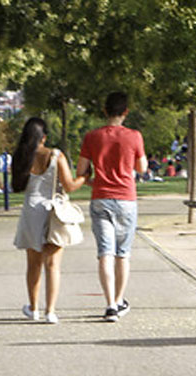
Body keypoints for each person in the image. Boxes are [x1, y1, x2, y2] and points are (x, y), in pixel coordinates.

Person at [76, 91, 148, 322]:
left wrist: (94, 181)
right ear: (126, 111)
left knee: (105, 253)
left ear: (105, 110)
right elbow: (142, 168)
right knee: (122, 254)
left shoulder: (92, 137)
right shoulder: (134, 136)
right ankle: (119, 300)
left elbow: (81, 170)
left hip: (101, 198)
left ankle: (109, 305)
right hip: (126, 198)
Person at [12, 117, 85, 324]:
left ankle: (33, 307)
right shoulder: (55, 155)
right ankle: (50, 311)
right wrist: (83, 178)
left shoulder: (20, 156)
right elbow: (69, 185)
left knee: (33, 264)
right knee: (53, 264)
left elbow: (17, 185)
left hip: (30, 211)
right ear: (43, 137)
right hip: (52, 211)